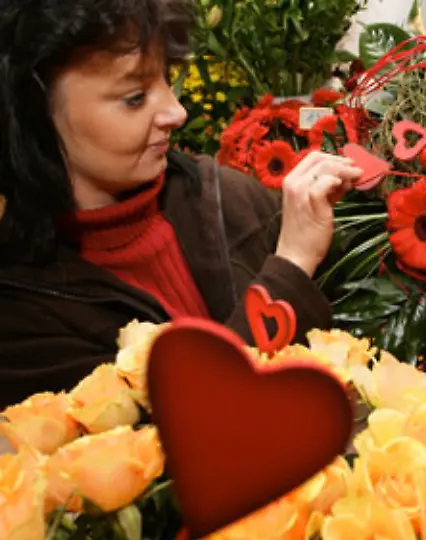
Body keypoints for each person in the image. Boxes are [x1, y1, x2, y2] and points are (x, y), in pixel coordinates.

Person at [0, 0, 363, 407]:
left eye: (167, 80)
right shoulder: (22, 315)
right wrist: (291, 266)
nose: (177, 112)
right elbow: (179, 432)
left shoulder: (227, 197)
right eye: (135, 97)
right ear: (33, 114)